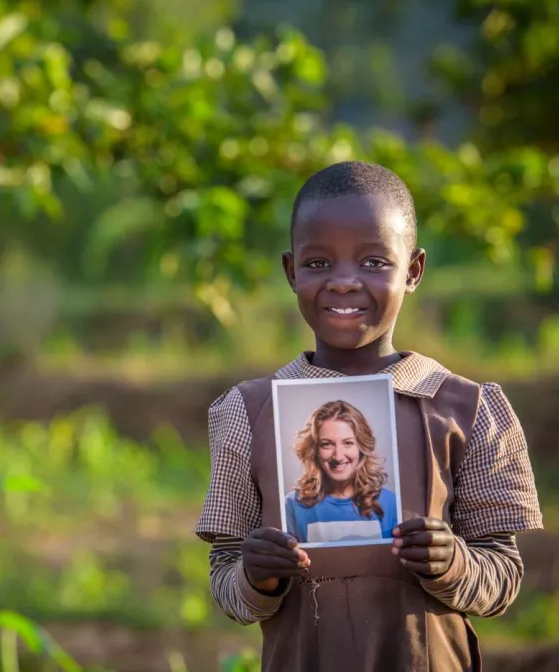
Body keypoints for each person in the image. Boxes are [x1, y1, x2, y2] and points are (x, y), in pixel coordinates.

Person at [195, 161, 542, 671]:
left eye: (374, 262)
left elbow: (503, 577)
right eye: (318, 264)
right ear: (291, 272)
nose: (342, 282)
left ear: (414, 271)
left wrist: (453, 563)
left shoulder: (468, 410)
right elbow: (227, 583)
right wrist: (255, 576)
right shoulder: (247, 413)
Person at [284, 399, 398, 544]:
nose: (338, 456)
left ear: (361, 448)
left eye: (348, 443)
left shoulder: (390, 503)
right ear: (314, 450)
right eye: (326, 444)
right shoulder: (292, 505)